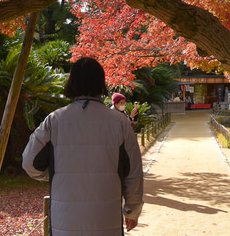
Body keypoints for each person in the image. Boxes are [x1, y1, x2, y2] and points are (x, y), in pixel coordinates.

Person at [22, 57, 144, 235]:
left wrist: (55, 174)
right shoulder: (120, 123)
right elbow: (133, 171)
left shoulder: (54, 120)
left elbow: (29, 162)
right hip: (106, 220)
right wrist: (132, 210)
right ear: (101, 84)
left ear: (72, 82)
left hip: (64, 220)